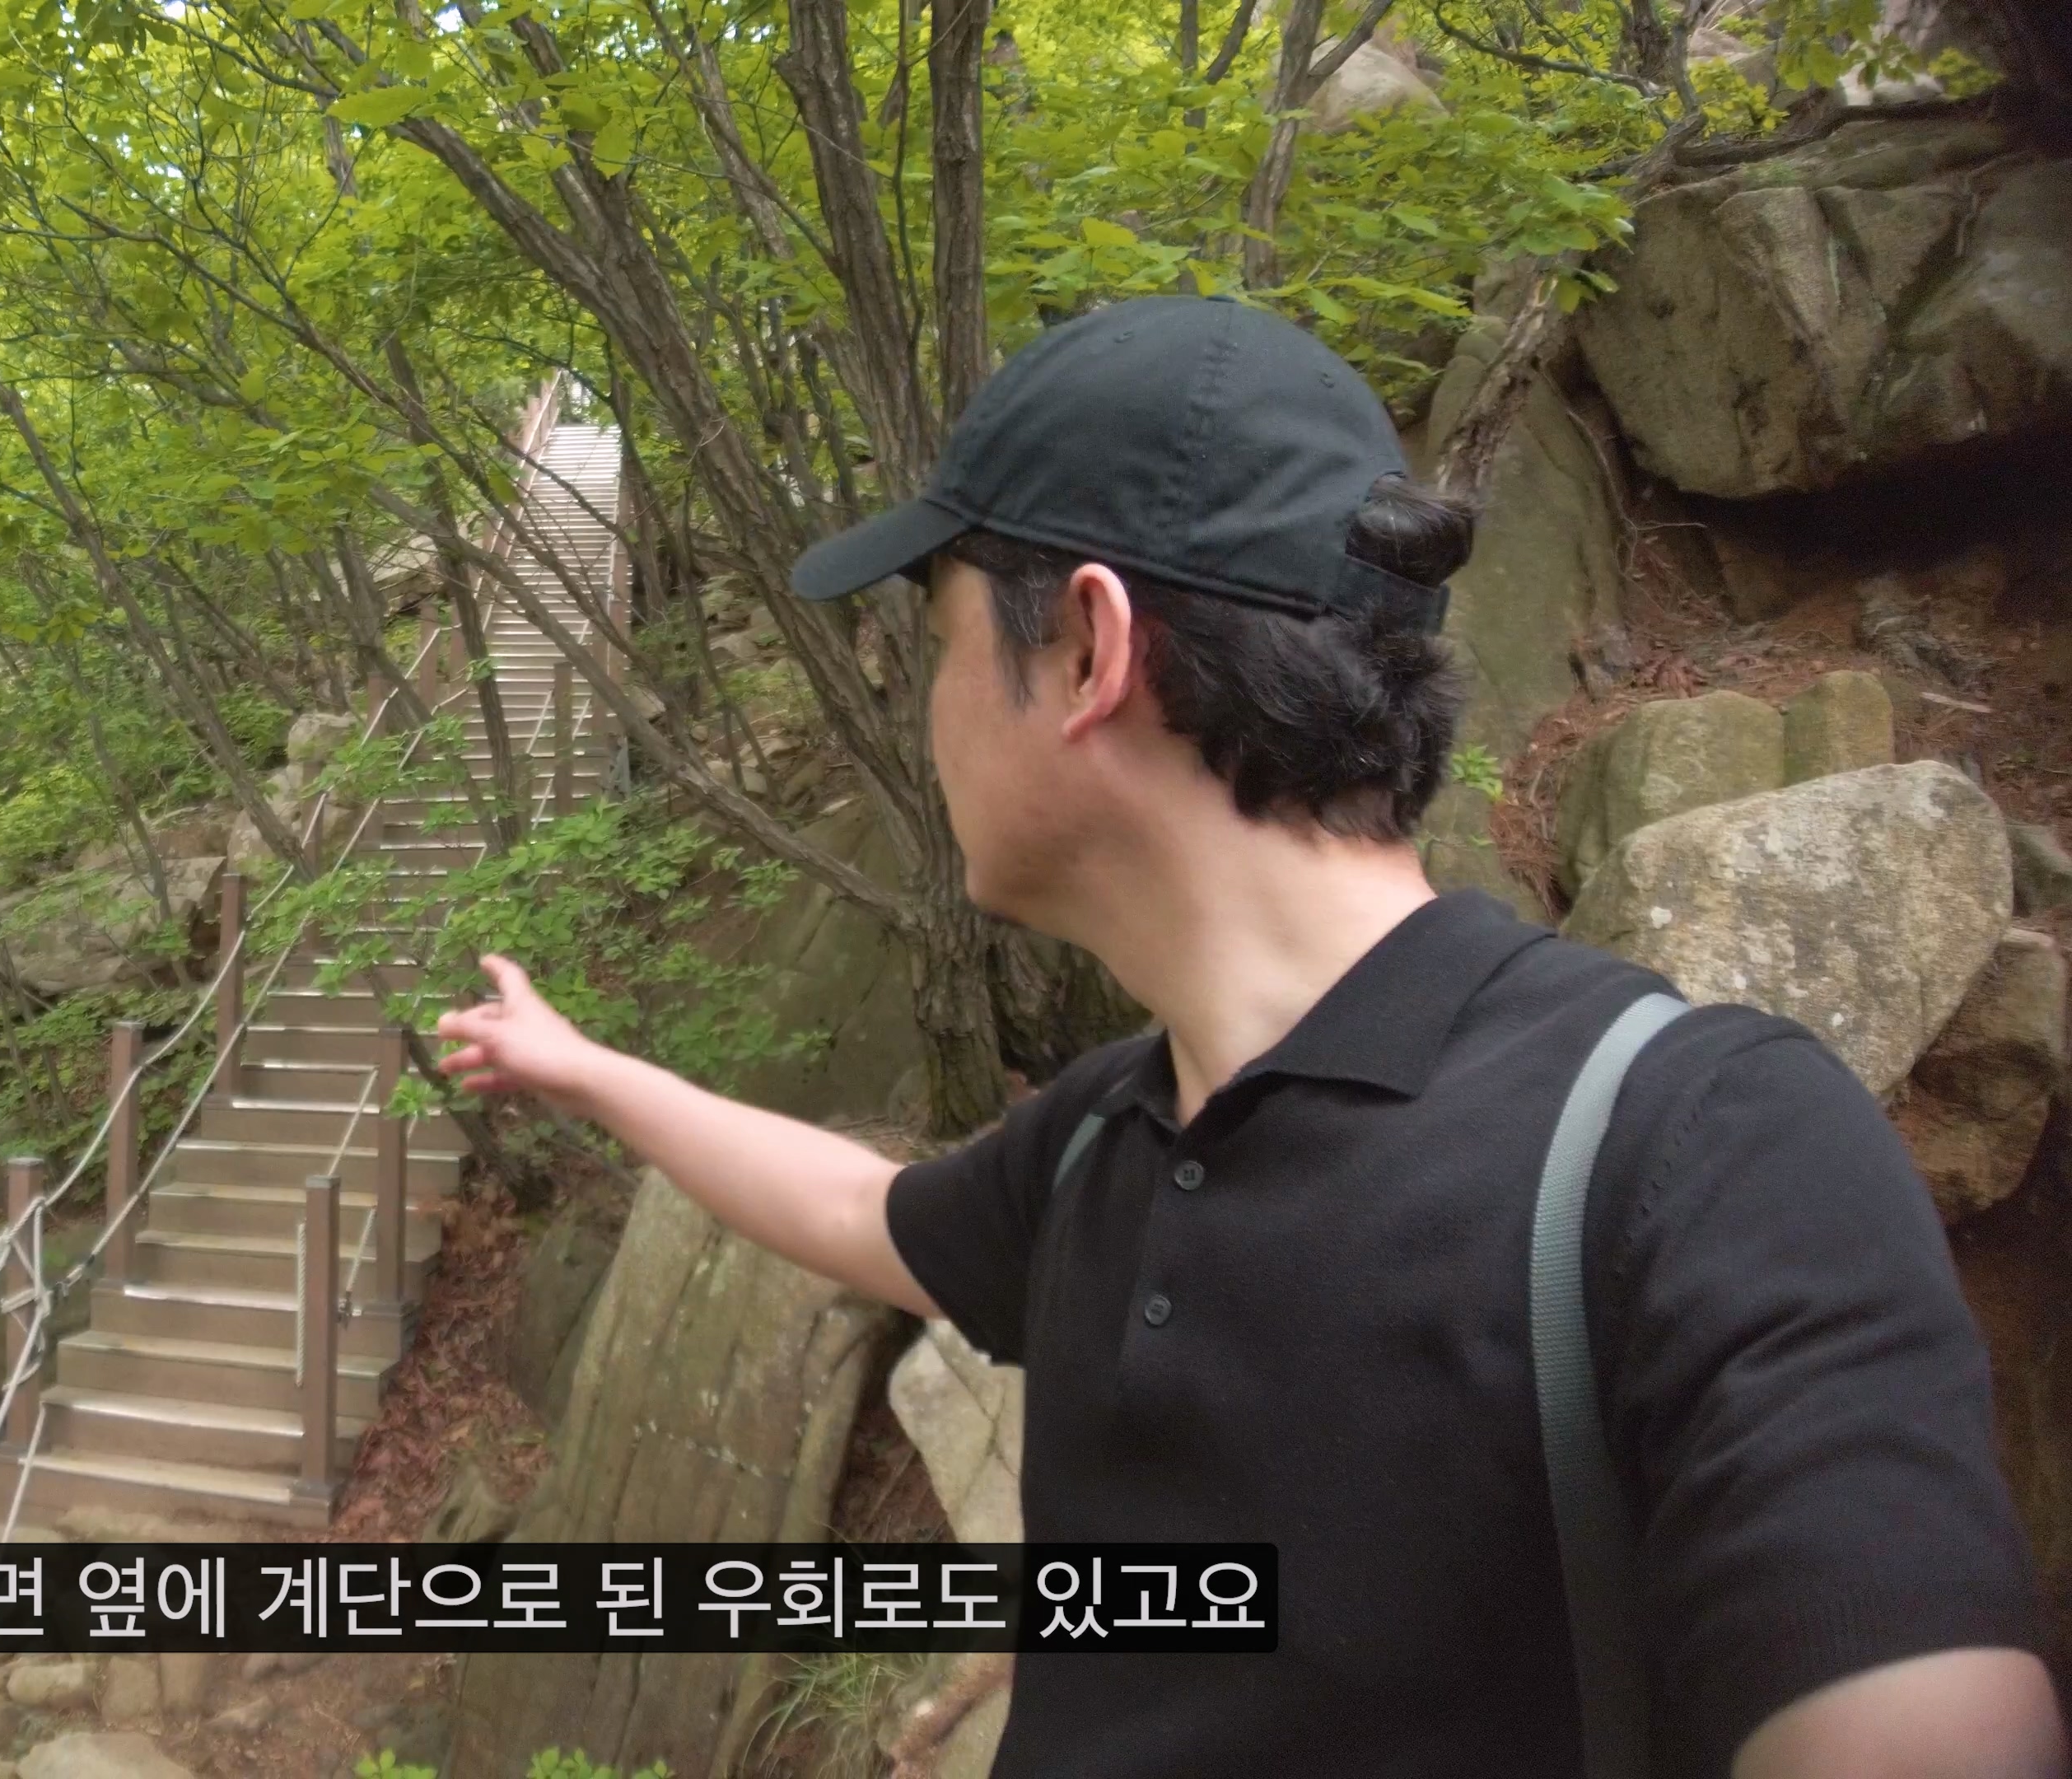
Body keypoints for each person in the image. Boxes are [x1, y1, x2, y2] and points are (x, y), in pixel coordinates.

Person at [432, 296, 2062, 1779]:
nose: (930, 713)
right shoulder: (1106, 1137)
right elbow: (865, 1215)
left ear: (1088, 649)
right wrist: (588, 1069)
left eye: (939, 647)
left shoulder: (1697, 1155)